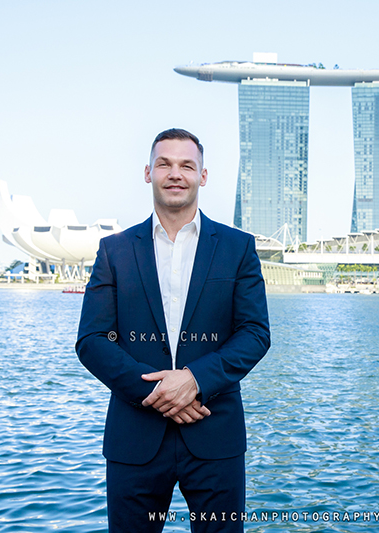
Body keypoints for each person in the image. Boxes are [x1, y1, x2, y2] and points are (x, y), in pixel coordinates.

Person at [76, 128, 270, 532]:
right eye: (164, 163)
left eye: (187, 165)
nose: (175, 173)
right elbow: (93, 340)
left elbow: (254, 333)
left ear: (203, 176)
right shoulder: (115, 252)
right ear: (148, 172)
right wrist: (159, 392)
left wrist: (195, 380)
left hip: (214, 432)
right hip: (135, 436)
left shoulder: (238, 248)